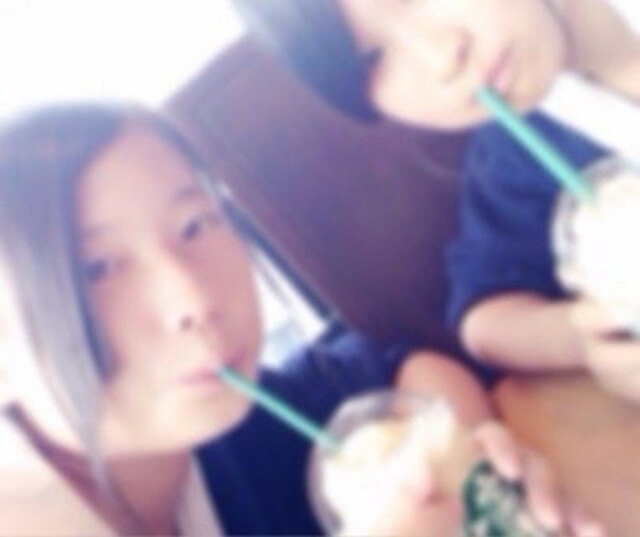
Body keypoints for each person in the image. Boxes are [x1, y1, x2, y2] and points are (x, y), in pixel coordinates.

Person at [0, 102, 599, 535]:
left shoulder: (225, 429)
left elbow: (394, 373)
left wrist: (451, 461)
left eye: (195, 225)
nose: (192, 299)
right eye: (97, 270)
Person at [162, 0, 640, 401]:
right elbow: (482, 316)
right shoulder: (530, 132)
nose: (440, 58)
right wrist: (587, 338)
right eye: (373, 59)